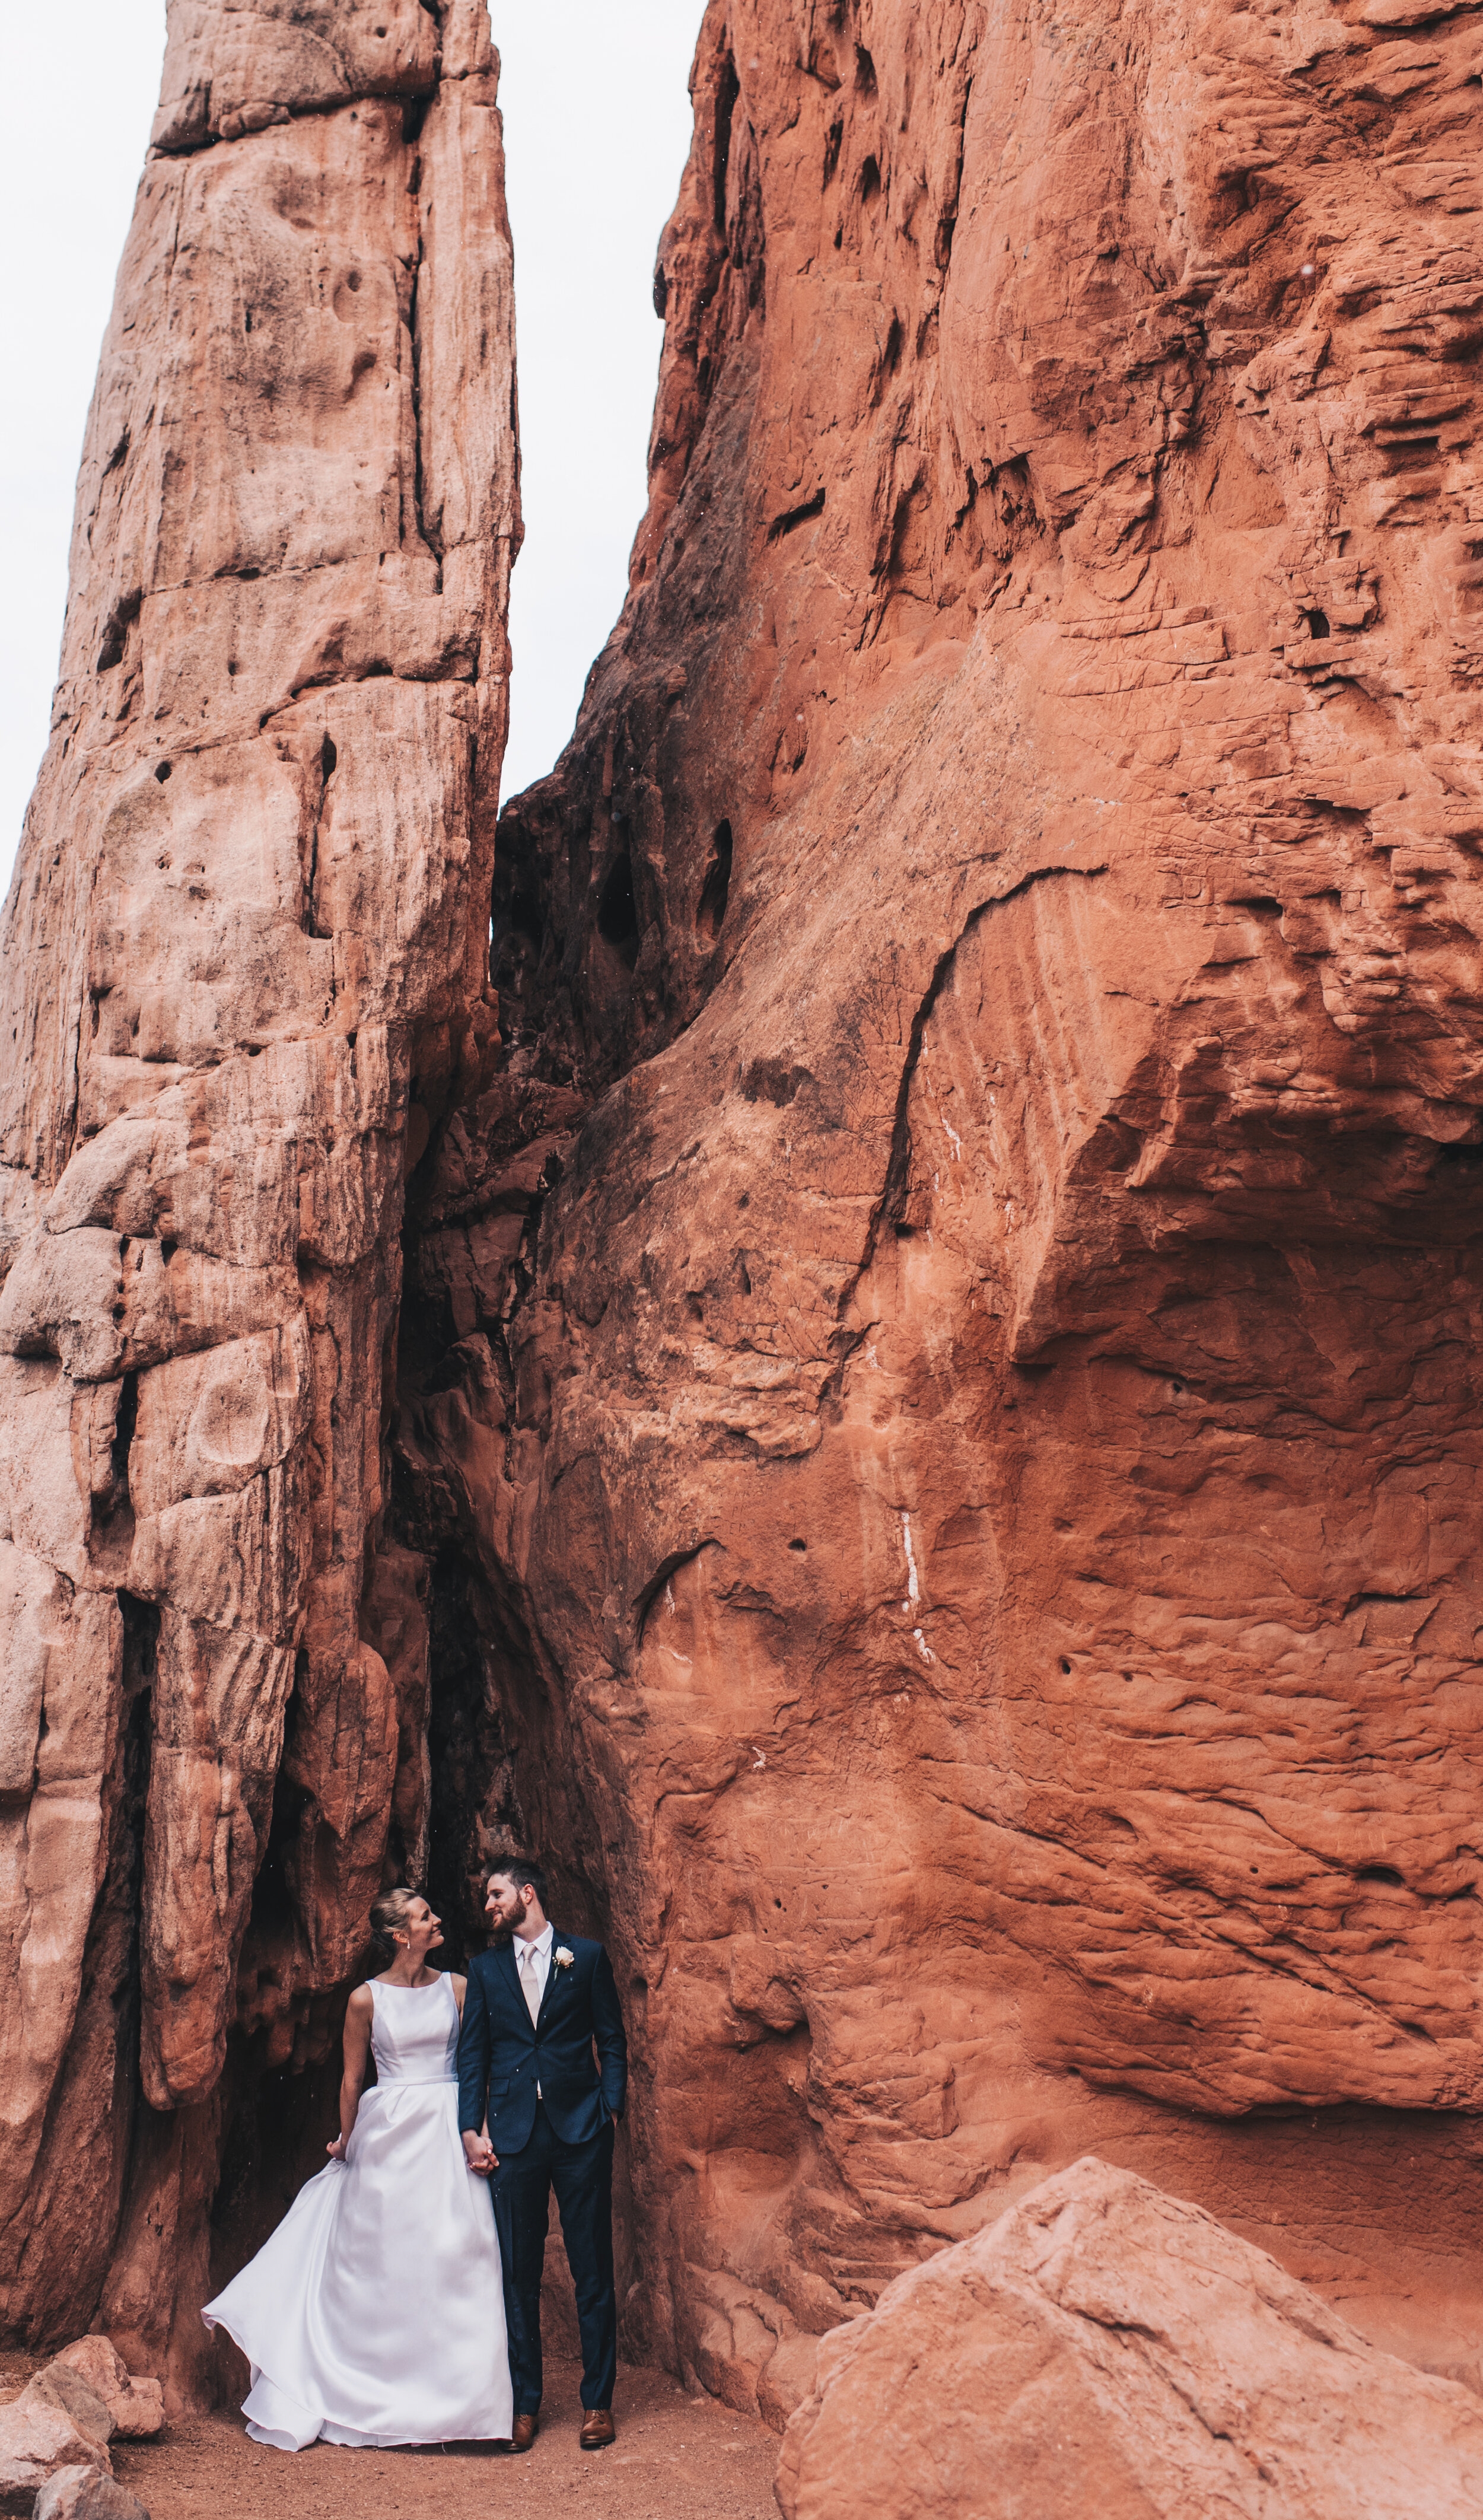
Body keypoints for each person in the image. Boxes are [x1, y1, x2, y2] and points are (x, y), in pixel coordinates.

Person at [203, 1889, 513, 2451]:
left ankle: (465, 2408)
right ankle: (372, 2394)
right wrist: (347, 2141)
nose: (437, 1919)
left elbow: (476, 2069)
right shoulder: (364, 2000)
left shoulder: (459, 1988)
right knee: (385, 2262)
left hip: (448, 2127)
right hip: (390, 2129)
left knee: (461, 2254)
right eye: (425, 1916)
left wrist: (480, 2129)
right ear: (400, 1935)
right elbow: (351, 2079)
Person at [458, 1853, 628, 2452]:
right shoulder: (484, 1971)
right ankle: (523, 2405)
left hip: (582, 2131)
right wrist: (469, 2130)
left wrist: (611, 2106)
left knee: (592, 2272)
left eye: (496, 1893)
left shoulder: (585, 1956)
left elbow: (610, 2036)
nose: (489, 1905)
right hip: (513, 2136)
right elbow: (472, 2057)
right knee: (517, 2274)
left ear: (528, 1894)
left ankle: (597, 2404)